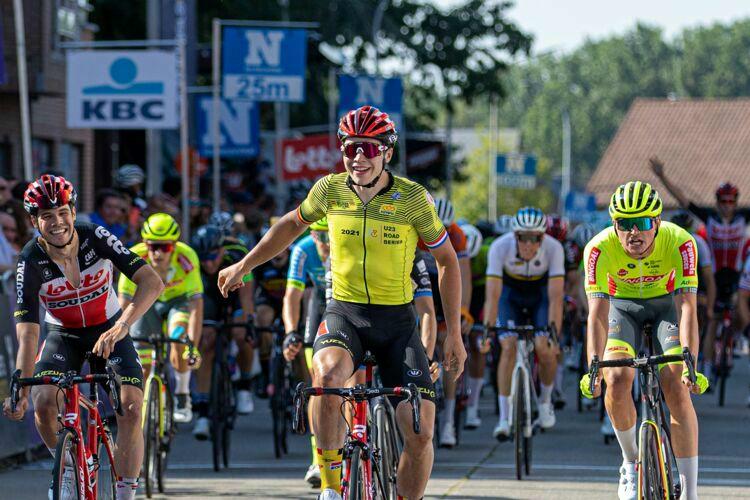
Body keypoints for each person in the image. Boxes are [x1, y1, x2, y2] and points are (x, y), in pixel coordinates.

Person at [218, 105, 465, 500]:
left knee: (421, 433)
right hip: (345, 312)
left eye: (368, 148)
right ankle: (331, 487)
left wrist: (453, 333)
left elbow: (448, 261)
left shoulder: (413, 199)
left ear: (387, 151)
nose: (358, 157)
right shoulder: (329, 189)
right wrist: (244, 264)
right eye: (349, 148)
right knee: (327, 378)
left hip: (397, 322)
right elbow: (288, 225)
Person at [2, 175, 164, 500]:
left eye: (62, 212)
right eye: (47, 216)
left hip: (111, 328)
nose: (57, 222)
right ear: (34, 221)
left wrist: (124, 325)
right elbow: (28, 330)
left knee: (131, 409)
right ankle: (66, 469)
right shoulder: (30, 260)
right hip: (63, 335)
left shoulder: (95, 236)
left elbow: (152, 282)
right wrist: (19, 383)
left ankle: (125, 493)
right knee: (44, 405)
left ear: (73, 213)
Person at [580, 181, 708, 500]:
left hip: (667, 307)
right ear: (614, 224)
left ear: (658, 223)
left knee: (676, 384)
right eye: (625, 224)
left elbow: (689, 307)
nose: (633, 233)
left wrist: (692, 361)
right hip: (622, 309)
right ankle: (630, 462)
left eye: (642, 223)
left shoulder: (681, 243)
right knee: (617, 377)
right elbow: (596, 315)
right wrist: (593, 369)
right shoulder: (598, 249)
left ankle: (690, 492)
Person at [652, 158, 749, 370]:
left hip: (735, 275)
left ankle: (733, 336)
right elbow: (684, 201)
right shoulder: (710, 217)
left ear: (736, 201)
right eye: (723, 201)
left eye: (731, 201)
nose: (727, 206)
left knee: (741, 316)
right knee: (711, 318)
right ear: (717, 202)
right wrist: (662, 176)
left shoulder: (744, 218)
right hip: (712, 275)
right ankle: (705, 364)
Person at [484, 207, 564, 440]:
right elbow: (493, 296)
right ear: (514, 236)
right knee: (508, 345)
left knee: (544, 346)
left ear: (542, 237)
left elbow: (556, 298)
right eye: (523, 238)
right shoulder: (500, 247)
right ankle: (504, 418)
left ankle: (546, 401)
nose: (528, 244)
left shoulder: (554, 248)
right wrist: (488, 331)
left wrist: (554, 336)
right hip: (510, 296)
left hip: (540, 296)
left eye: (535, 238)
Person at [117, 213, 204, 423]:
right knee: (143, 364)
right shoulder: (134, 256)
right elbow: (123, 305)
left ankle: (182, 394)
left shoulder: (187, 257)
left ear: (174, 246)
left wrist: (192, 345)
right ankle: (144, 411)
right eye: (152, 246)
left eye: (164, 247)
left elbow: (196, 306)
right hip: (146, 302)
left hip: (178, 301)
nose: (157, 253)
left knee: (178, 339)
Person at [191, 225, 256, 439]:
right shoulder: (193, 260)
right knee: (206, 342)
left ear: (221, 250)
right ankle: (202, 412)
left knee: (241, 334)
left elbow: (247, 300)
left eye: (212, 257)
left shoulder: (237, 254)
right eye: (204, 258)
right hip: (209, 296)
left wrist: (246, 323)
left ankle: (245, 385)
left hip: (236, 292)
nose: (208, 263)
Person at [417, 197, 472, 447]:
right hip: (420, 285)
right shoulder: (416, 229)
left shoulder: (457, 235)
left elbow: (464, 278)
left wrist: (462, 313)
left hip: (446, 287)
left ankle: (448, 420)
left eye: (446, 230)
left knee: (447, 348)